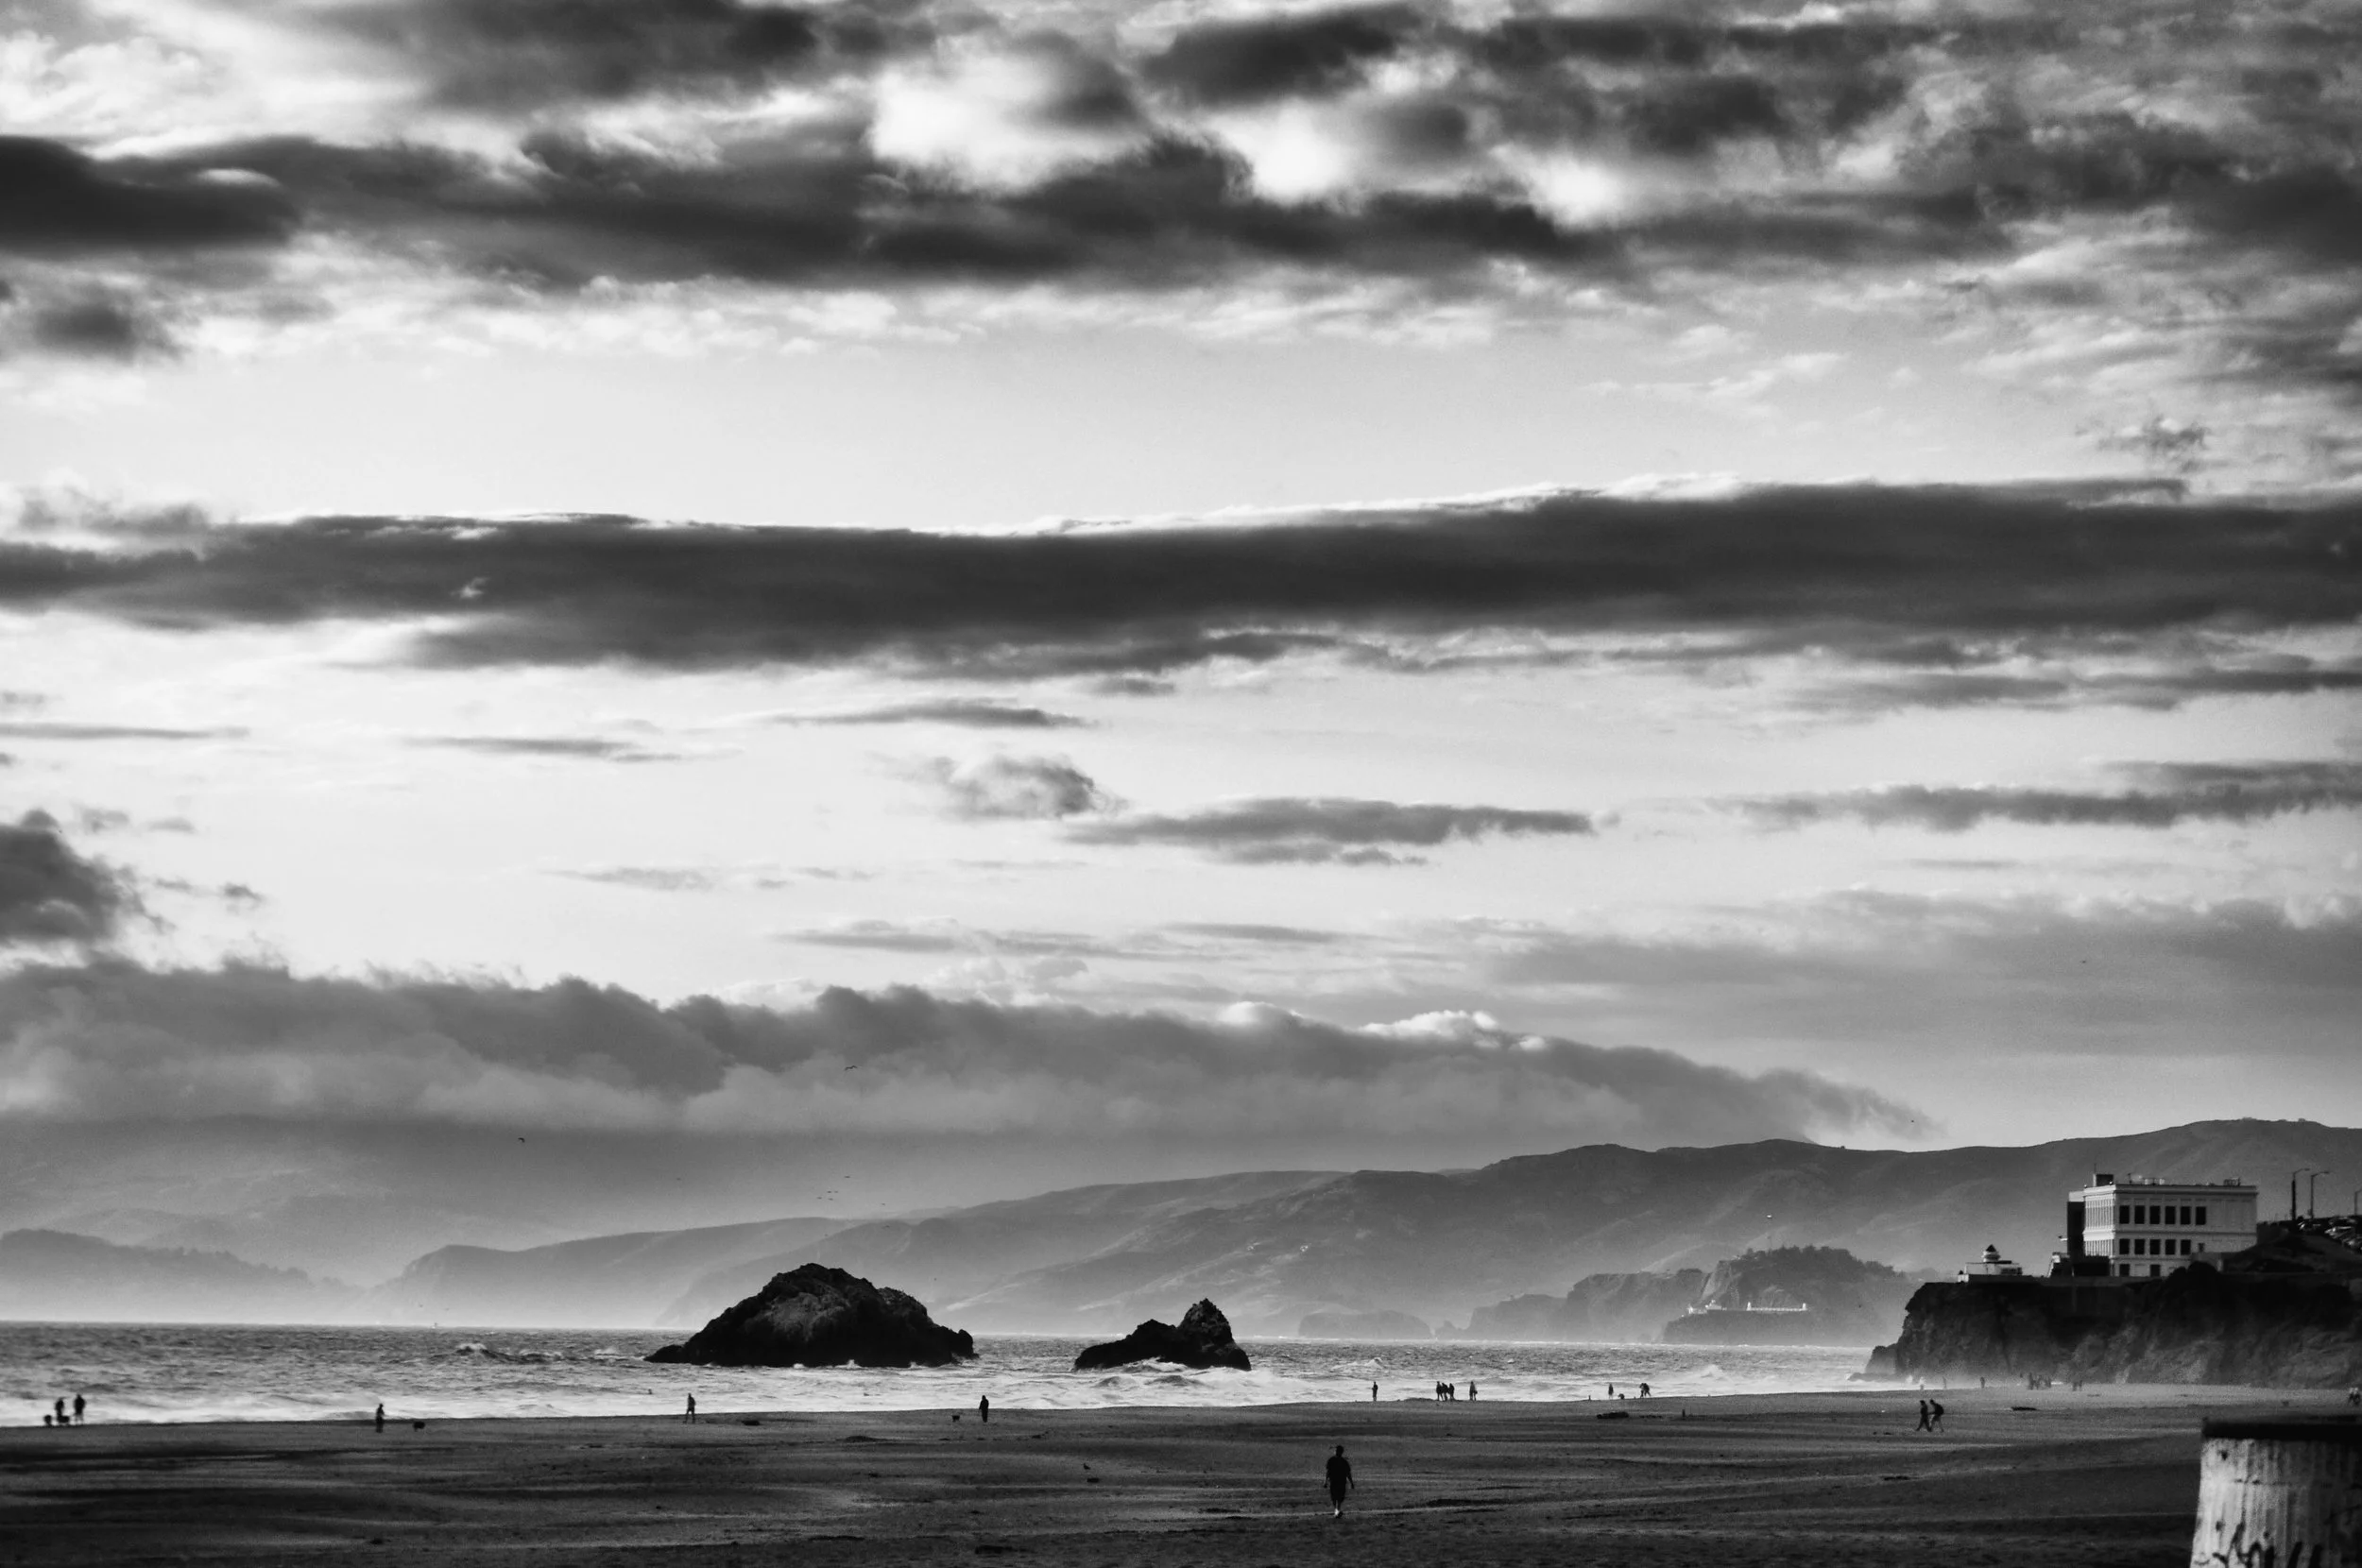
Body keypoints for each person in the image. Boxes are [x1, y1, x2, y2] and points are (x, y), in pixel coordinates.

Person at [1325, 1444, 1355, 1519]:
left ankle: (1337, 1511)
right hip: (1336, 1482)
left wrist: (1351, 1482)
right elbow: (1328, 1472)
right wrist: (1325, 1481)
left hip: (1338, 1482)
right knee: (1335, 1498)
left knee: (1338, 1498)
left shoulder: (1341, 1461)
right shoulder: (1334, 1460)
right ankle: (1337, 1511)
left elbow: (1348, 1473)